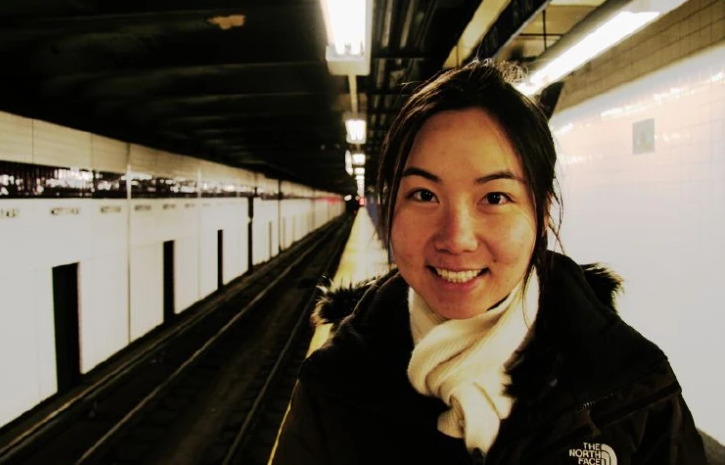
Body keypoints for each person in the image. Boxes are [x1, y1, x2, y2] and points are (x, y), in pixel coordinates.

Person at [272, 61, 707, 464]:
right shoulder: (333, 387)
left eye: (495, 198)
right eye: (424, 195)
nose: (456, 239)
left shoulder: (630, 389)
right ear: (390, 210)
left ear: (541, 214)